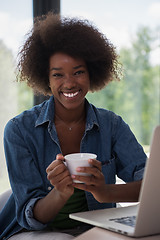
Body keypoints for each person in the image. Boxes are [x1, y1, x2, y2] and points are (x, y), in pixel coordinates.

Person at [0, 13, 147, 240]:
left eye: (78, 72)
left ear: (91, 73)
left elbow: (149, 185)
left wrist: (104, 191)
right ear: (45, 79)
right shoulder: (19, 130)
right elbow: (31, 217)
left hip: (95, 230)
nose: (69, 83)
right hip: (35, 232)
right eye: (58, 75)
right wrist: (60, 193)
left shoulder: (112, 125)